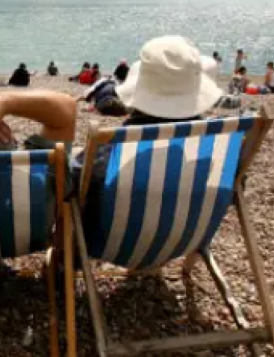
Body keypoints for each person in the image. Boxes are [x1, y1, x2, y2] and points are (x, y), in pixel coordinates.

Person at [72, 36, 223, 228]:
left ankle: (73, 257)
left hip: (115, 241)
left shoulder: (115, 151)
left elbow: (76, 185)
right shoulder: (217, 147)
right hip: (185, 235)